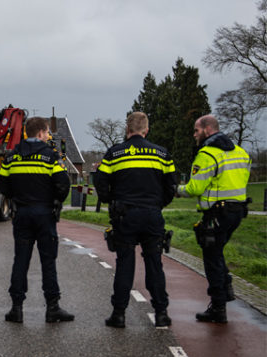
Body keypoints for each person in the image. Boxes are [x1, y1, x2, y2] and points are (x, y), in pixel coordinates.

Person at [94, 111, 176, 328]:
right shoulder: (162, 154)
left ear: (127, 130)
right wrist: (158, 204)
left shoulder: (114, 154)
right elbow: (171, 187)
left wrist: (111, 200)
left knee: (124, 265)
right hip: (152, 214)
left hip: (125, 215)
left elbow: (100, 182)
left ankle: (119, 314)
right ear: (146, 130)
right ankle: (161, 313)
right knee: (154, 264)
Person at [0, 117, 73, 323]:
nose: (48, 136)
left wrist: (17, 197)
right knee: (48, 261)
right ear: (40, 133)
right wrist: (55, 200)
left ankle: (16, 308)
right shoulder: (50, 157)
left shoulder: (12, 158)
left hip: (21, 214)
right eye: (47, 133)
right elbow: (63, 184)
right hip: (44, 214)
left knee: (20, 260)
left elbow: (2, 185)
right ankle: (52, 308)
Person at [177, 115, 251, 323]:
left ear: (207, 130)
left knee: (211, 257)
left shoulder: (207, 154)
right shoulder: (240, 152)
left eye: (196, 131)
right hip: (237, 211)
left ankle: (218, 307)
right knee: (217, 251)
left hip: (217, 213)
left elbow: (195, 188)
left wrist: (176, 190)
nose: (194, 135)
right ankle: (225, 286)